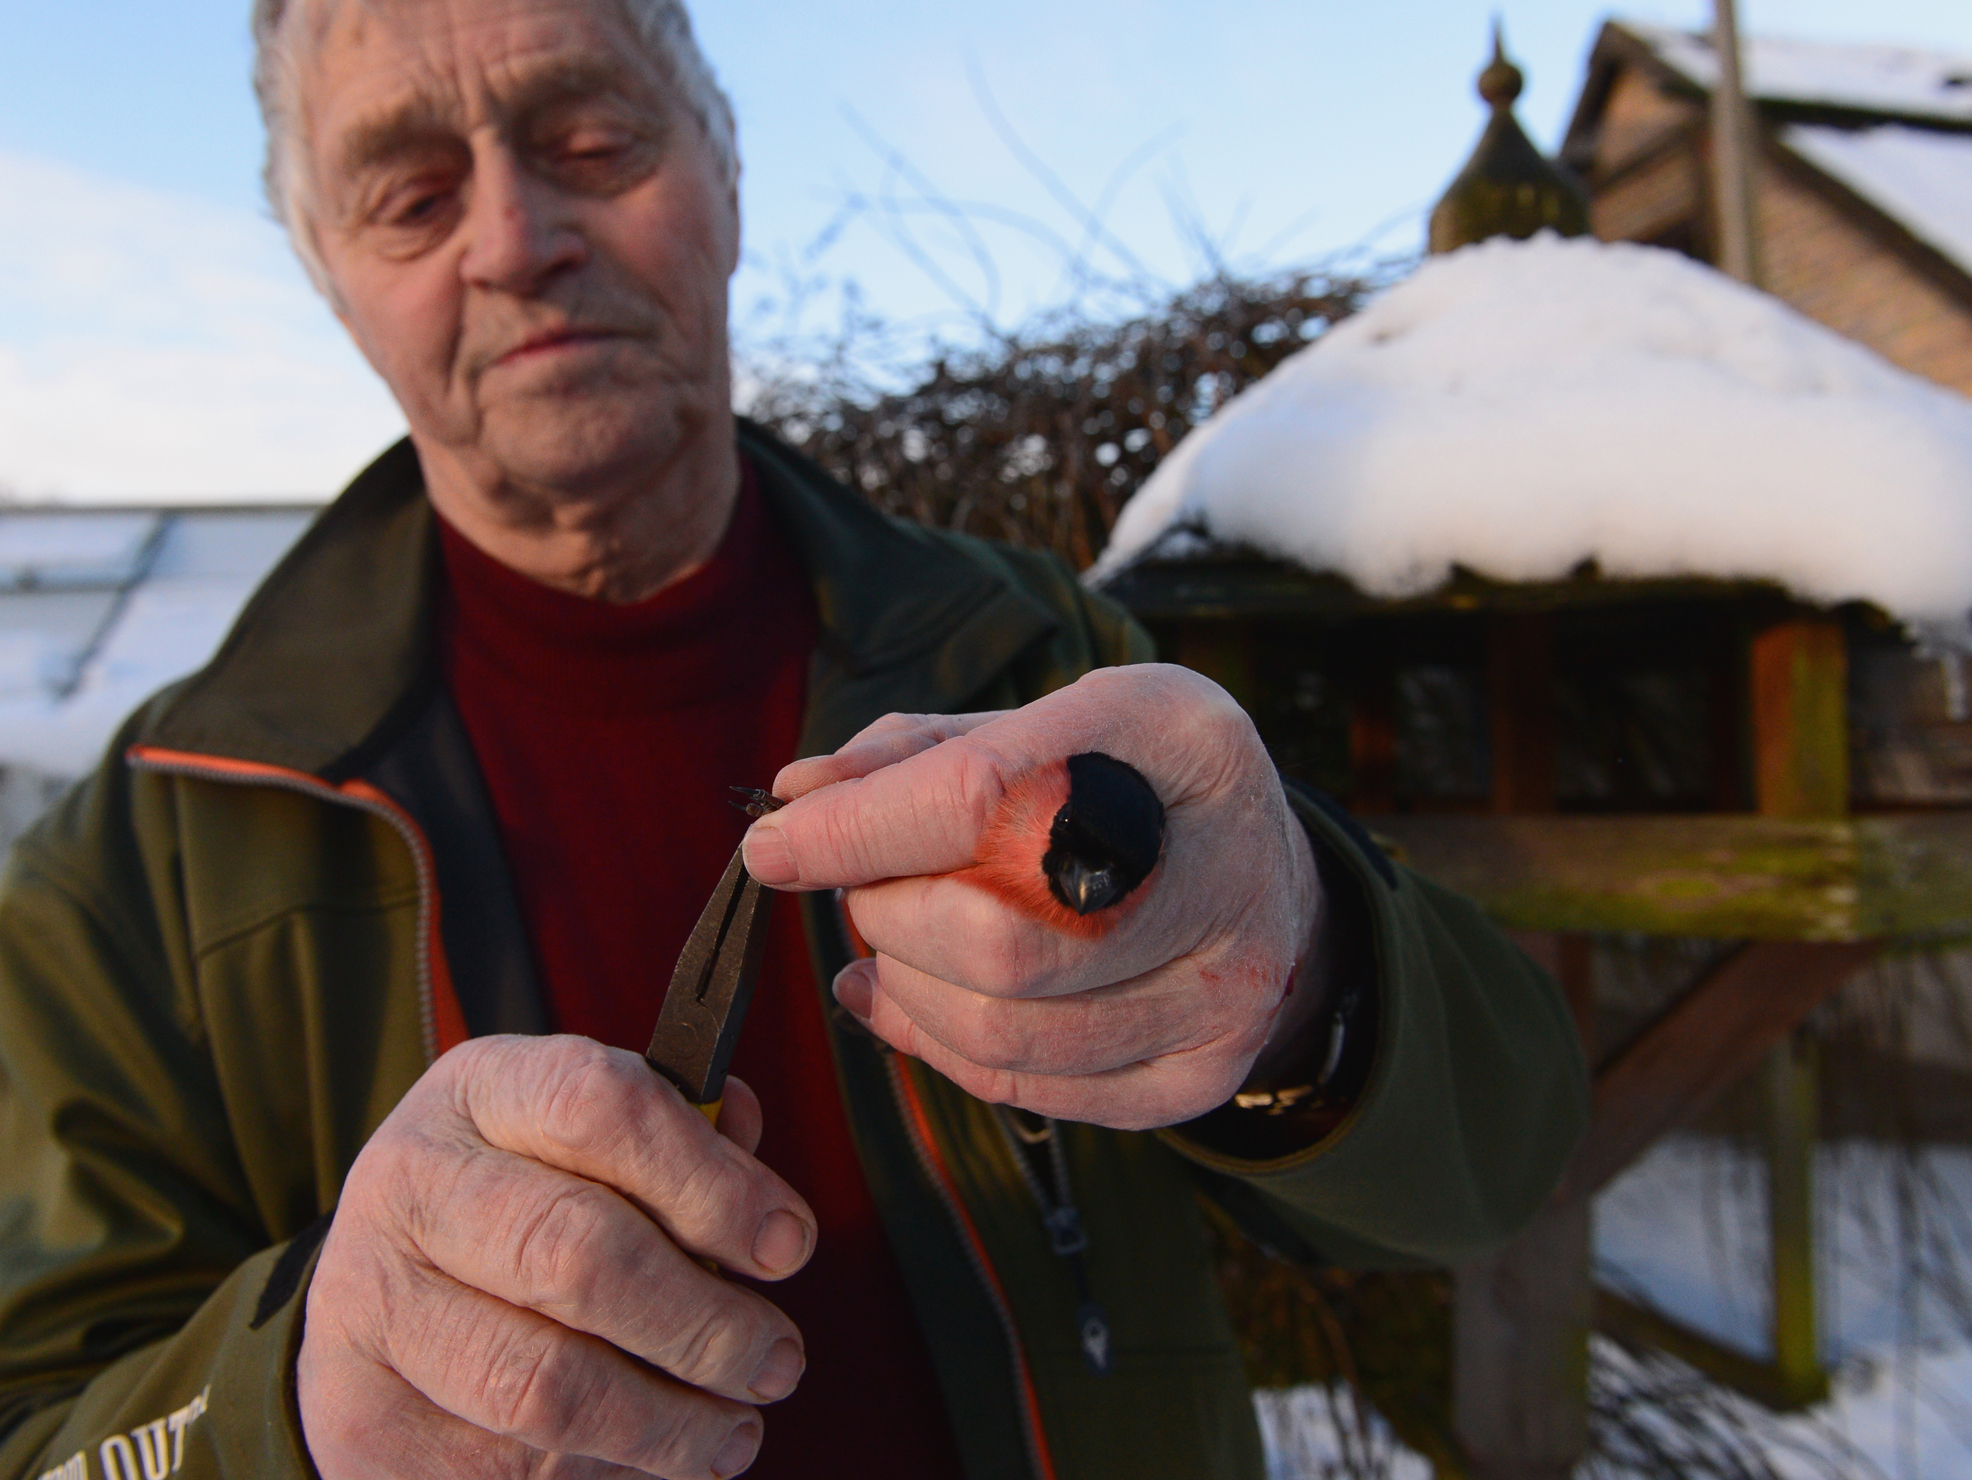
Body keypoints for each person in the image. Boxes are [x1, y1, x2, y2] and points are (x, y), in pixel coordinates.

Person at [0, 2, 1588, 1477]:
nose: (515, 240)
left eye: (592, 139)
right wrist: (293, 1406)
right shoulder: (136, 863)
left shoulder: (1044, 661)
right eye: (409, 196)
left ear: (728, 164)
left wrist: (1304, 973)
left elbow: (1501, 1151)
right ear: (325, 272)